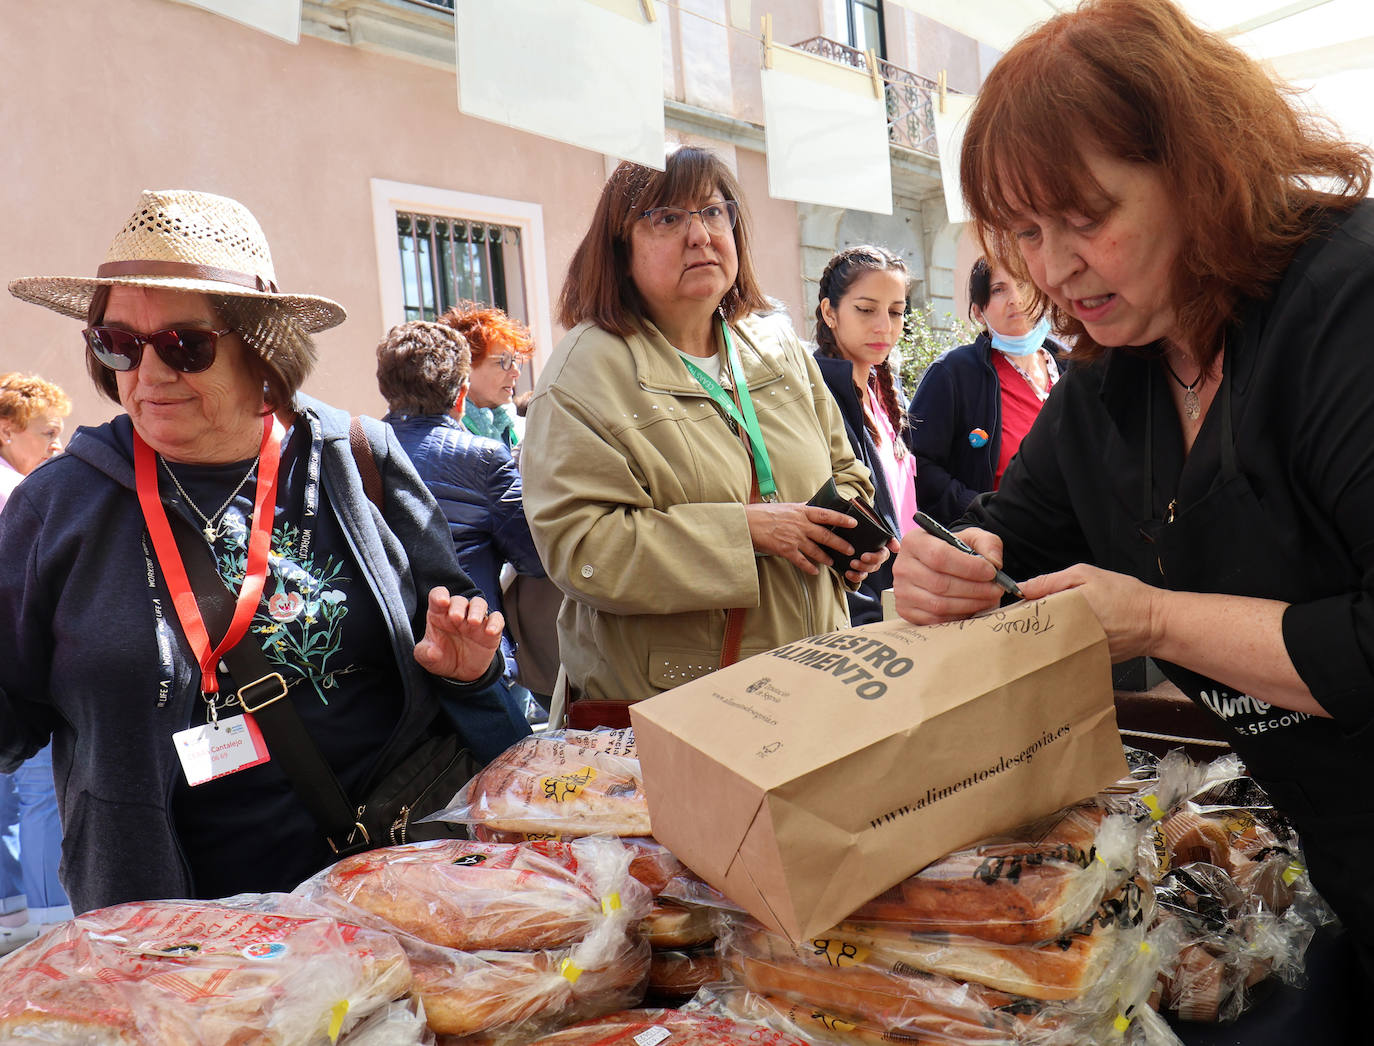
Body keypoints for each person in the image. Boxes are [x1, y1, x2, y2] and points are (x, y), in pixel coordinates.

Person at [892, 0, 1374, 1000]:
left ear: (1201, 170)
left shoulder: (1346, 306)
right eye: (1024, 231)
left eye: (1087, 217)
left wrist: (1153, 616)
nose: (1054, 267)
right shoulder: (1119, 377)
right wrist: (958, 558)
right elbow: (1009, 526)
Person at [1, 189, 521, 914]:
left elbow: (455, 657)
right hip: (172, 943)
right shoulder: (59, 507)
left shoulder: (359, 458)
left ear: (262, 350)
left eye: (186, 345)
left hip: (387, 906)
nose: (148, 375)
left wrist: (470, 674)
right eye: (118, 343)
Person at [522, 146, 892, 719]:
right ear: (620, 249)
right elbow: (582, 548)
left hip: (814, 677)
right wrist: (746, 532)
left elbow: (846, 470)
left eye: (713, 213)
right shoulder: (582, 375)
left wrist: (845, 533)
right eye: (668, 218)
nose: (700, 235)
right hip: (680, 706)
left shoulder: (776, 348)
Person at [376, 319, 545, 725]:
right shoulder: (484, 458)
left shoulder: (351, 448)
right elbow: (536, 558)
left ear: (386, 387)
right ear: (461, 394)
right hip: (472, 653)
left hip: (386, 662)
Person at [0, 373, 74, 953]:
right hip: (19, 663)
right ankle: (55, 924)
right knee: (42, 791)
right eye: (46, 432)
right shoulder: (18, 496)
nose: (58, 443)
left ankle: (13, 909)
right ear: (6, 431)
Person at [907, 257, 1062, 526]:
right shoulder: (953, 373)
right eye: (999, 290)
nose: (1016, 298)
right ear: (979, 312)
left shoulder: (1076, 367)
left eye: (1024, 283)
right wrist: (984, 512)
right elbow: (919, 465)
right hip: (1000, 549)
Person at [813, 245, 915, 623]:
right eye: (866, 309)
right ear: (830, 312)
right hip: (860, 611)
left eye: (896, 312)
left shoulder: (885, 391)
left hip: (902, 597)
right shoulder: (816, 394)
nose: (884, 327)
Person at [440, 302, 532, 452]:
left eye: (515, 361)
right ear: (465, 366)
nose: (516, 372)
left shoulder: (526, 430)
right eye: (503, 362)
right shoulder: (445, 437)